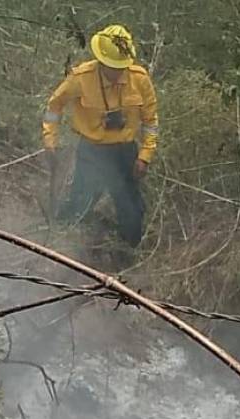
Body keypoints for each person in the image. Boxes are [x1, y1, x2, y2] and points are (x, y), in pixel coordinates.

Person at [42, 24, 159, 250]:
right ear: (101, 61)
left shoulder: (139, 79)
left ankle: (127, 259)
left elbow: (151, 122)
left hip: (125, 153)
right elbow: (54, 106)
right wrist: (50, 141)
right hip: (92, 153)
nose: (118, 72)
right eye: (113, 68)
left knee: (132, 213)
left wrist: (145, 156)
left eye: (121, 67)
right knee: (80, 205)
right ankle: (62, 245)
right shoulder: (81, 78)